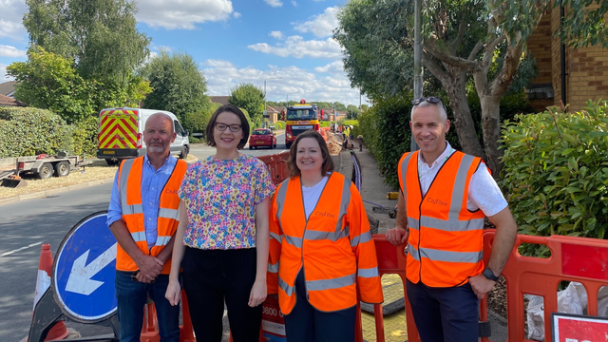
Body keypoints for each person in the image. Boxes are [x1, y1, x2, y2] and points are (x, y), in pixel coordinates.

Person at [385, 97, 518, 342]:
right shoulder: (405, 163)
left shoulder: (472, 171)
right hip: (418, 283)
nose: (425, 132)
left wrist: (490, 277)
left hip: (458, 288)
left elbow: (507, 225)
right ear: (411, 127)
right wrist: (399, 225)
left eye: (431, 125)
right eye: (418, 125)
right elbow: (405, 193)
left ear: (446, 126)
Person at [165, 104, 275, 342]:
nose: (228, 132)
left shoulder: (255, 169)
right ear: (212, 130)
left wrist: (260, 279)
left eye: (235, 127)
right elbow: (183, 226)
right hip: (200, 264)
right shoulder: (194, 172)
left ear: (243, 133)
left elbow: (264, 226)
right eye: (222, 126)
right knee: (207, 337)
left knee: (246, 335)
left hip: (242, 262)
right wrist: (174, 279)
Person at [267, 130, 383, 342]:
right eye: (301, 151)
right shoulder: (282, 191)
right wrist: (270, 285)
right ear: (294, 156)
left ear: (323, 155)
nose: (306, 156)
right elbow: (275, 240)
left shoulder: (343, 188)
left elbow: (361, 240)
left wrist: (369, 290)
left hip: (335, 294)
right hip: (293, 293)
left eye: (312, 150)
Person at [107, 112, 186, 342]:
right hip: (129, 268)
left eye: (163, 132)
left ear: (173, 137)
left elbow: (187, 224)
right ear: (142, 136)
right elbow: (114, 217)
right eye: (151, 131)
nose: (156, 137)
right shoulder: (125, 169)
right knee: (128, 336)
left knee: (170, 335)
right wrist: (142, 261)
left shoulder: (187, 172)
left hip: (168, 270)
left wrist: (156, 262)